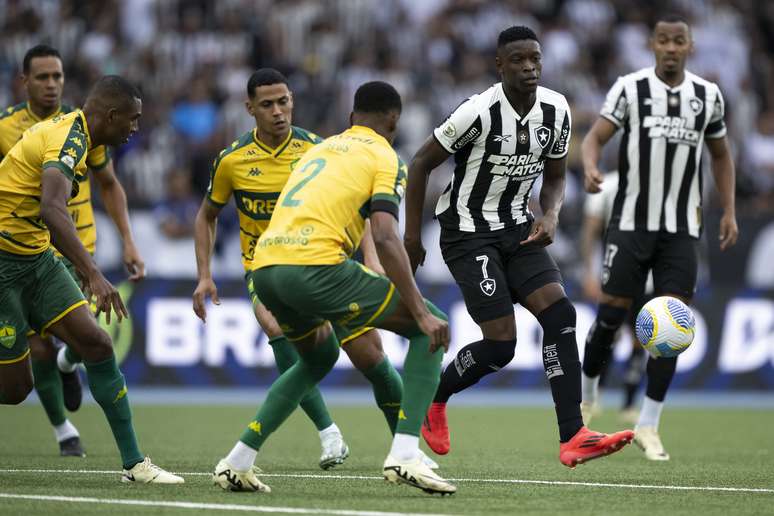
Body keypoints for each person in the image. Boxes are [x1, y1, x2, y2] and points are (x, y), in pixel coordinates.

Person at [403, 25, 633, 468]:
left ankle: (574, 436)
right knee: (502, 345)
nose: (529, 67)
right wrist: (412, 238)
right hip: (467, 233)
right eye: (518, 60)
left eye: (535, 59)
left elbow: (556, 176)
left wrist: (550, 215)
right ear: (499, 65)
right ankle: (433, 399)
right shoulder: (477, 111)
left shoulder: (556, 109)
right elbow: (419, 164)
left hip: (518, 229)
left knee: (561, 315)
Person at [211, 81, 456, 495]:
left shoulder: (320, 148)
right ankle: (405, 453)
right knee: (432, 323)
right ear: (393, 123)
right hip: (315, 267)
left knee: (319, 355)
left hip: (266, 269)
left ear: (350, 119)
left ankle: (238, 460)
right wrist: (417, 308)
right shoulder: (385, 156)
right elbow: (384, 234)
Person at [0, 75, 182, 483]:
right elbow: (52, 207)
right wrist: (94, 275)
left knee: (98, 345)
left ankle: (135, 464)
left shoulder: (84, 138)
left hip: (35, 257)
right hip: (2, 264)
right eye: (132, 120)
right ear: (111, 115)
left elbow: (81, 195)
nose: (136, 128)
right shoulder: (69, 139)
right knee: (14, 390)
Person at [580, 15, 738, 461]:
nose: (671, 48)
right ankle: (587, 400)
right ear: (653, 45)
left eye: (679, 41)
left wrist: (727, 209)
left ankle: (649, 424)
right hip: (631, 223)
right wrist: (591, 166)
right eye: (664, 40)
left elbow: (721, 155)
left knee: (672, 326)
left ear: (690, 47)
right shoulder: (630, 88)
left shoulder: (707, 96)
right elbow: (595, 137)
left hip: (682, 229)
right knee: (610, 317)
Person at [579, 172, 648, 425]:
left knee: (642, 335)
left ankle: (630, 403)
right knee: (610, 330)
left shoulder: (655, 184)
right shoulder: (608, 185)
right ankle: (594, 395)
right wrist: (589, 271)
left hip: (647, 273)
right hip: (615, 268)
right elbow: (591, 230)